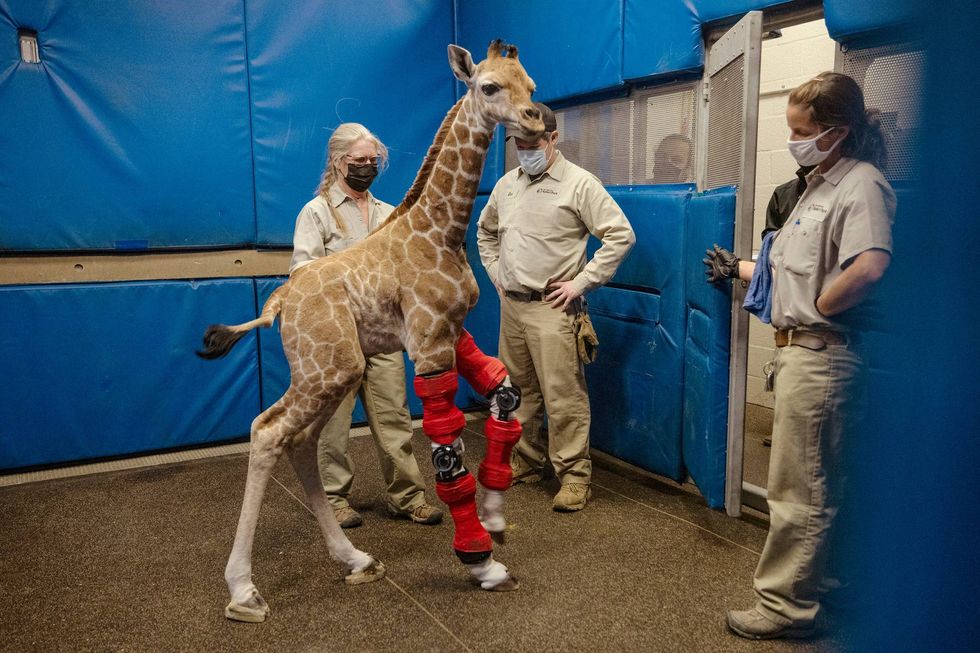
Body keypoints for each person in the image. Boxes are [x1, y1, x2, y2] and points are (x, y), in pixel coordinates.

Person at [705, 72, 895, 640]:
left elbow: (870, 264)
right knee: (818, 484)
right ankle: (823, 583)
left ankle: (786, 606)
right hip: (799, 354)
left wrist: (820, 302)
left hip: (821, 355)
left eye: (801, 131)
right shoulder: (818, 185)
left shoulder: (860, 184)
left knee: (798, 490)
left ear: (836, 132)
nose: (793, 140)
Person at [477, 102, 636, 512]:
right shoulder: (506, 185)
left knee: (563, 396)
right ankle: (528, 461)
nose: (525, 149)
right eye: (518, 143)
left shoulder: (579, 184)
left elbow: (621, 235)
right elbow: (486, 232)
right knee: (517, 392)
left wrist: (582, 282)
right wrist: (497, 274)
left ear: (552, 138)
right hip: (512, 306)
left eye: (533, 142)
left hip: (552, 307)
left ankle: (574, 476)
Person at [289, 122, 443, 529]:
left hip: (383, 334)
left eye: (372, 161)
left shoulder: (390, 214)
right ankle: (335, 501)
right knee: (333, 425)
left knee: (395, 417)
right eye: (358, 161)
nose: (366, 167)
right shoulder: (316, 212)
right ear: (339, 162)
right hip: (336, 340)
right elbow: (302, 274)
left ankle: (407, 497)